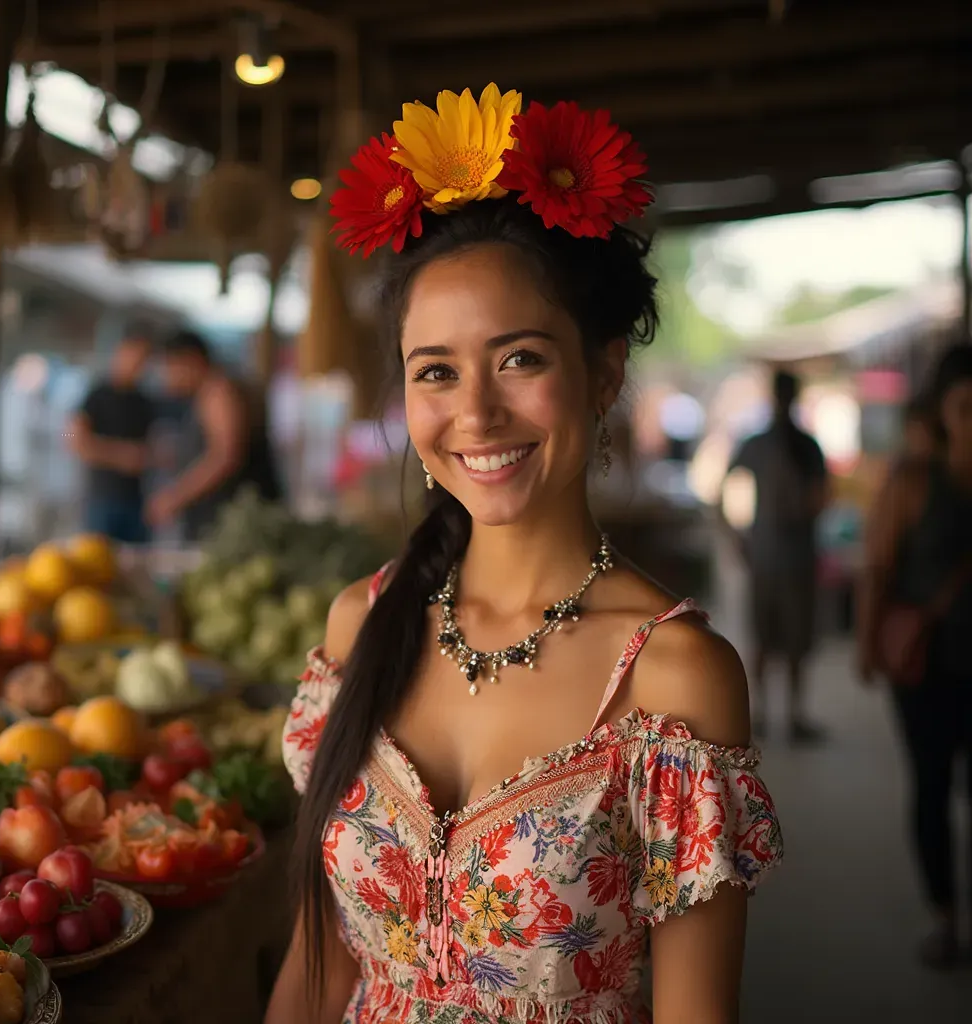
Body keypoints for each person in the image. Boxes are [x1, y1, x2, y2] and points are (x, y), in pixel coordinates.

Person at [269, 85, 782, 1024]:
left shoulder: (674, 678)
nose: (475, 412)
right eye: (436, 371)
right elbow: (317, 969)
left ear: (603, 373)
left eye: (519, 359)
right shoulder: (361, 622)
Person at [857, 343, 972, 969]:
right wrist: (868, 647)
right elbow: (876, 567)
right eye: (964, 405)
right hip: (927, 666)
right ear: (943, 411)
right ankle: (946, 918)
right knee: (931, 788)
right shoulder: (914, 481)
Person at [723, 370, 829, 743]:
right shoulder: (786, 444)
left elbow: (820, 497)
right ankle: (774, 714)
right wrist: (736, 535)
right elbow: (726, 484)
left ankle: (782, 714)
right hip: (774, 555)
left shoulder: (795, 445)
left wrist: (737, 534)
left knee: (787, 639)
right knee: (771, 639)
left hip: (782, 555)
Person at [147, 329, 282, 540]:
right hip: (224, 523)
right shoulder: (207, 393)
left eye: (169, 367)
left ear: (191, 360)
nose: (166, 377)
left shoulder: (218, 391)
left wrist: (174, 497)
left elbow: (225, 455)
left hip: (234, 525)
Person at [68, 324, 155, 544]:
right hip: (102, 499)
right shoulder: (97, 395)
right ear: (121, 352)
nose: (139, 365)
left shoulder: (143, 400)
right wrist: (120, 456)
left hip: (136, 499)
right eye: (135, 356)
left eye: (144, 358)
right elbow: (71, 440)